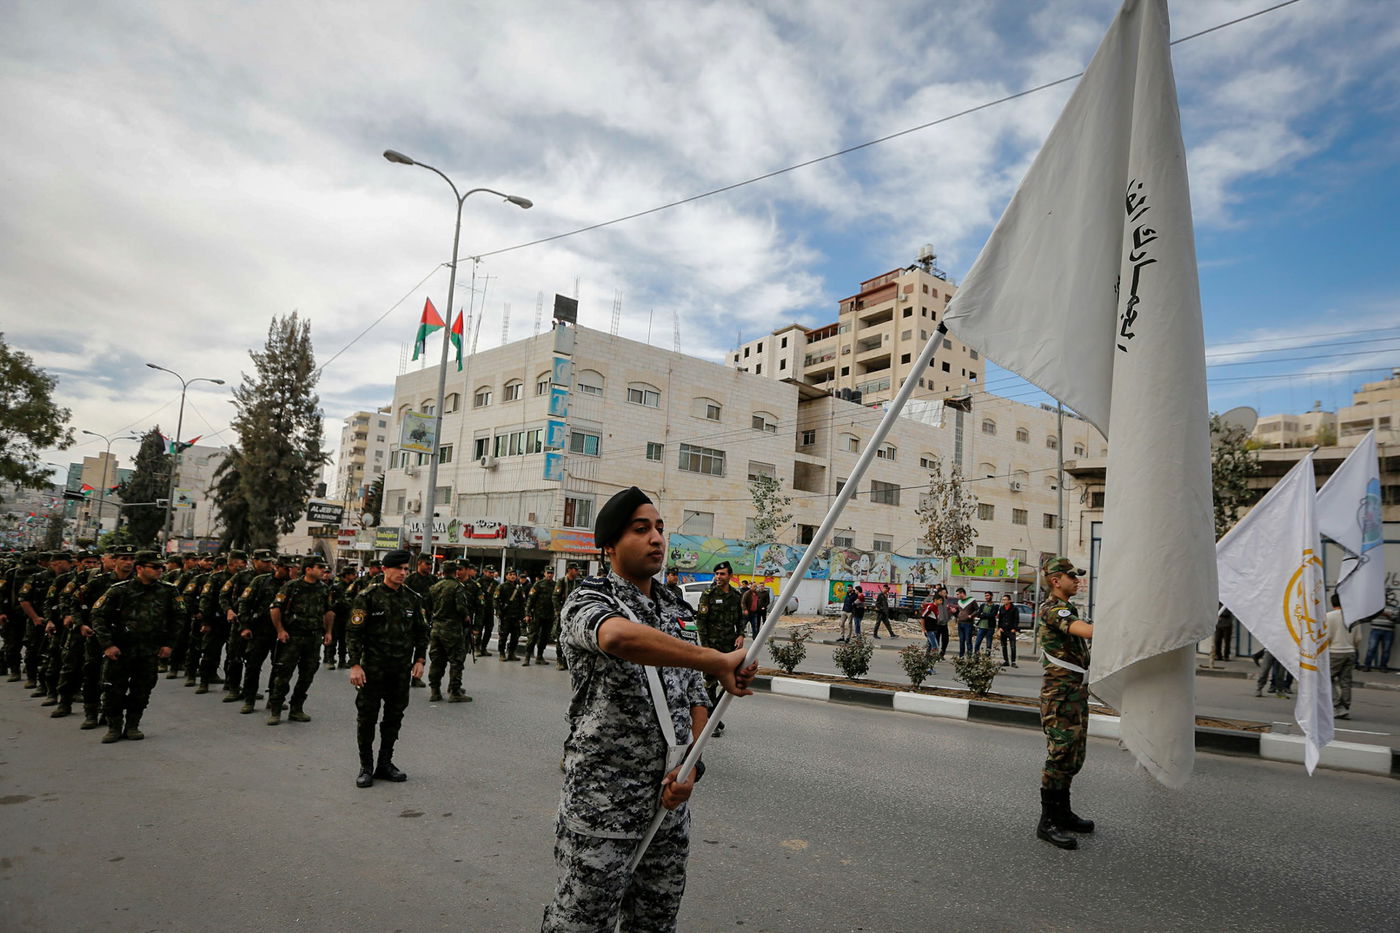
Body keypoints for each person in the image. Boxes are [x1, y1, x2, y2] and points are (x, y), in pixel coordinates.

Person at [541, 486, 756, 932]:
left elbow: (695, 691)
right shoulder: (588, 600)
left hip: (667, 804)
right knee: (581, 923)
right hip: (604, 806)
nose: (657, 538)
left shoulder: (675, 607)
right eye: (642, 529)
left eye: (660, 528)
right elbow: (618, 639)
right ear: (610, 545)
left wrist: (692, 766)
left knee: (655, 922)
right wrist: (717, 661)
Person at [347, 549, 428, 787]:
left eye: (406, 569)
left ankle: (385, 762)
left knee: (394, 717)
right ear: (385, 569)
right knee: (367, 718)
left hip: (400, 670)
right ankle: (366, 766)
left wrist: (420, 660)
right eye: (399, 569)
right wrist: (355, 665)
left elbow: (421, 632)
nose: (403, 573)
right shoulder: (368, 596)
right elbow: (354, 633)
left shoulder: (412, 598)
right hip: (372, 669)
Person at [90, 551, 184, 743]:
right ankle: (114, 727)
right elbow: (98, 616)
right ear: (140, 568)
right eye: (155, 567)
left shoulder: (168, 590)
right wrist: (107, 645)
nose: (159, 571)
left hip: (149, 651)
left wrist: (169, 644)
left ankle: (132, 725)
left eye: (161, 567)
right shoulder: (119, 590)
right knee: (113, 690)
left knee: (142, 690)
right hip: (121, 650)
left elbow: (179, 618)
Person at [1035, 556, 1095, 850]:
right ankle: (1047, 822)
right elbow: (1083, 630)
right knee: (1059, 755)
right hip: (1059, 695)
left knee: (1073, 756)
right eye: (1072, 576)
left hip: (1073, 693)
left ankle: (1064, 813)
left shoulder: (1068, 608)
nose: (1077, 580)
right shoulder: (1052, 608)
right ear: (1056, 581)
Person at [266, 555, 334, 725]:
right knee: (283, 674)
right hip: (293, 637)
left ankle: (296, 708)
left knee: (307, 674)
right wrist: (280, 630)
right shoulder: (292, 586)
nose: (323, 571)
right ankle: (275, 709)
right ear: (308, 569)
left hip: (313, 638)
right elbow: (275, 609)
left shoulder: (324, 589)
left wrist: (328, 631)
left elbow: (328, 611)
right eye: (319, 567)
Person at [236, 554, 292, 714]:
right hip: (260, 630)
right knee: (253, 666)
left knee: (280, 668)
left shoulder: (292, 585)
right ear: (277, 567)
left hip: (282, 633)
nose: (289, 571)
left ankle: (274, 699)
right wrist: (244, 626)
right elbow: (244, 603)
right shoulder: (261, 581)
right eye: (285, 568)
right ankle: (249, 700)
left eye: (291, 568)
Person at [697, 561, 743, 737]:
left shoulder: (736, 596)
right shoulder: (708, 594)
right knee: (710, 682)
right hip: (712, 646)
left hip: (729, 645)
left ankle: (714, 715)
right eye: (716, 574)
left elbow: (740, 618)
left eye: (722, 574)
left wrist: (740, 634)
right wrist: (705, 646)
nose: (718, 577)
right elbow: (701, 621)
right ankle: (711, 721)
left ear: (730, 576)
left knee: (729, 682)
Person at [426, 560, 472, 701]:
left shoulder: (435, 587)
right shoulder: (457, 587)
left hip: (436, 628)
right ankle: (455, 691)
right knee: (456, 661)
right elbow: (461, 608)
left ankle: (435, 691)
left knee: (437, 660)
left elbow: (428, 606)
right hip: (452, 629)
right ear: (455, 571)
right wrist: (466, 617)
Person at [1326, 593, 1361, 720]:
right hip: (1350, 651)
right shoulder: (1354, 618)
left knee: (1326, 679)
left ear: (1332, 603)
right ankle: (1345, 707)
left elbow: (1326, 637)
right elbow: (1358, 638)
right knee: (1345, 681)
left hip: (1334, 652)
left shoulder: (1329, 616)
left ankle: (1336, 706)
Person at [325, 565, 358, 669]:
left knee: (344, 641)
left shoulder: (354, 587)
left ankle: (342, 660)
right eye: (353, 574)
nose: (355, 576)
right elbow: (331, 603)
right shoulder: (336, 587)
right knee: (334, 639)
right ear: (347, 575)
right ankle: (330, 660)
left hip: (347, 616)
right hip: (336, 616)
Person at [524, 567, 558, 667]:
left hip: (549, 615)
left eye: (551, 573)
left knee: (545, 637)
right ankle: (527, 657)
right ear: (545, 573)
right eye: (548, 573)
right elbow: (530, 599)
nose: (550, 575)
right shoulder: (538, 584)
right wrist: (527, 614)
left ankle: (539, 656)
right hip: (537, 615)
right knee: (532, 636)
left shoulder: (555, 585)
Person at [553, 563, 583, 670]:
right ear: (569, 570)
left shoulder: (578, 582)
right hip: (563, 614)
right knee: (561, 636)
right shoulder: (562, 581)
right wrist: (559, 611)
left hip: (574, 614)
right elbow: (555, 597)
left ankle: (568, 660)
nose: (577, 572)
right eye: (575, 569)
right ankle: (559, 660)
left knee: (571, 637)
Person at [494, 568, 527, 661]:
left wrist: (523, 615)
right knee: (503, 636)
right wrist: (498, 611)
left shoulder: (518, 588)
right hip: (505, 616)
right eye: (510, 574)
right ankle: (502, 653)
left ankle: (511, 653)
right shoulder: (501, 587)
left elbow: (522, 602)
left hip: (516, 616)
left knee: (515, 636)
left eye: (514, 574)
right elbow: (495, 600)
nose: (512, 576)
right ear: (506, 576)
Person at [1363, 604, 1395, 672]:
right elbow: (1369, 616)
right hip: (1375, 629)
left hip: (1388, 631)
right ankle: (1367, 665)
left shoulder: (1393, 607)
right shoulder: (1374, 606)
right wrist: (1377, 613)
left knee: (1386, 650)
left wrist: (1387, 615)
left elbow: (1396, 618)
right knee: (1371, 648)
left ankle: (1383, 666)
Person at [996, 594, 1020, 667]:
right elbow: (1000, 618)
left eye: (1005, 599)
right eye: (1003, 600)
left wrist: (1014, 628)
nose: (1004, 601)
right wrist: (999, 627)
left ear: (1009, 600)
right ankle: (1006, 661)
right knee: (1004, 646)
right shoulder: (1002, 608)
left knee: (1013, 646)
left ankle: (1013, 661)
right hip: (1003, 630)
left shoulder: (1014, 608)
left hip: (1011, 630)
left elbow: (1016, 619)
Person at [919, 593, 943, 658]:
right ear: (935, 600)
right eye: (940, 600)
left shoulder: (938, 608)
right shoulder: (930, 607)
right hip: (929, 630)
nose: (941, 602)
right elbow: (922, 617)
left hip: (934, 629)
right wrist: (924, 629)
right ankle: (930, 663)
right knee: (935, 647)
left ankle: (926, 660)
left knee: (930, 646)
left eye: (942, 600)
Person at [954, 587, 977, 657]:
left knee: (968, 640)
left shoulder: (972, 600)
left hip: (968, 623)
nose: (957, 596)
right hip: (960, 623)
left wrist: (971, 615)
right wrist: (954, 612)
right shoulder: (959, 602)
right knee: (961, 640)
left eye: (958, 594)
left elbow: (977, 610)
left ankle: (969, 656)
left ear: (962, 593)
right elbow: (958, 612)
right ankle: (961, 656)